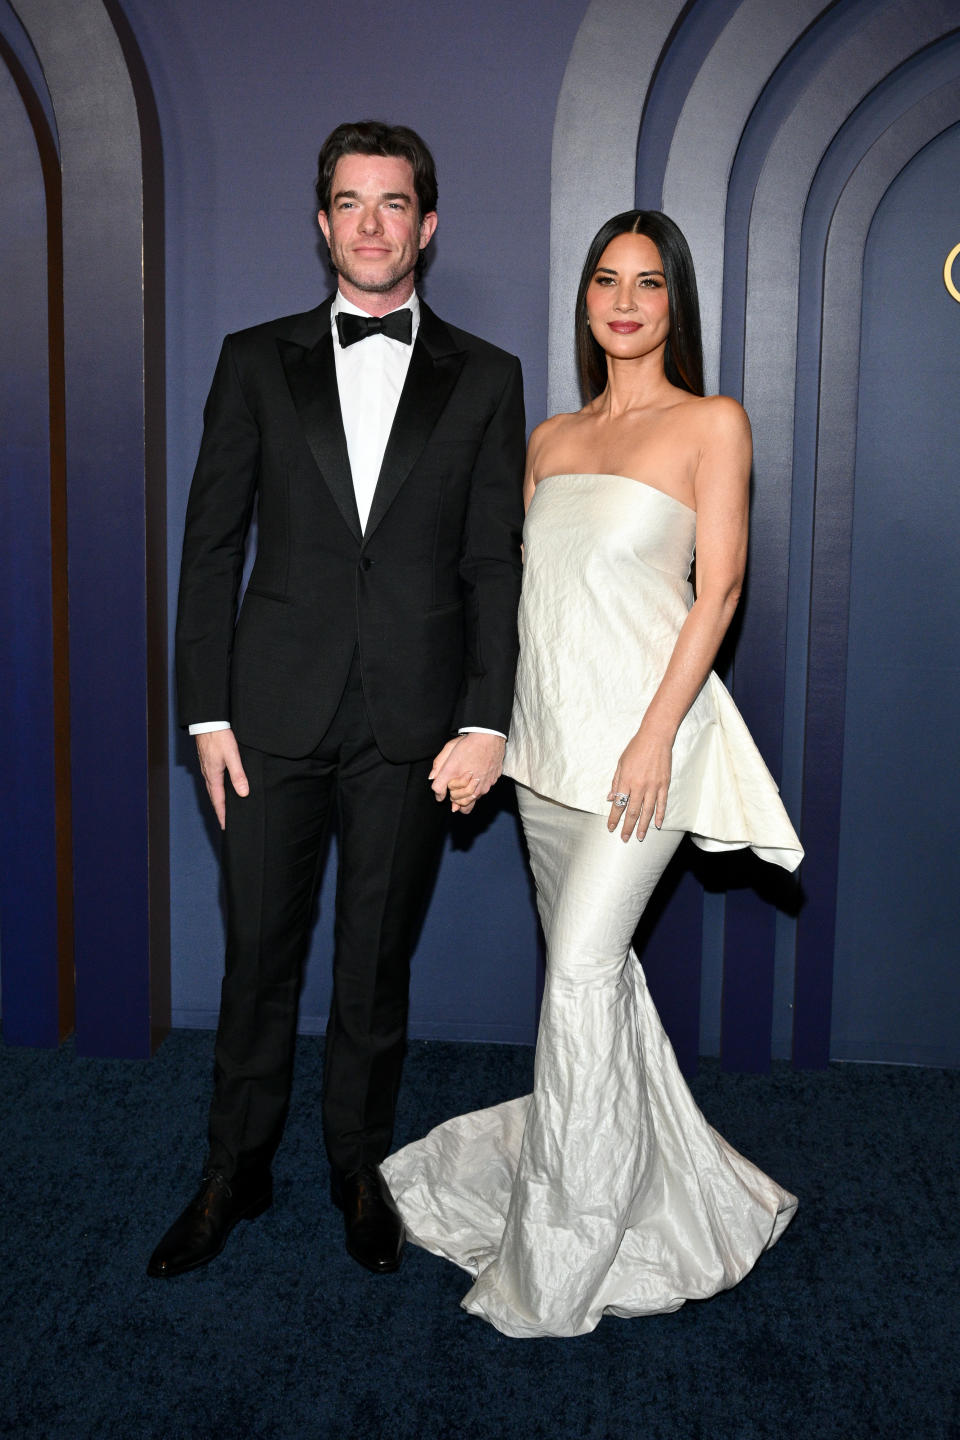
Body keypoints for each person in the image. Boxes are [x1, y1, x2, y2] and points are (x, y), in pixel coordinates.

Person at [382, 210, 803, 1338]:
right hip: (549, 750)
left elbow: (714, 593)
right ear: (586, 300)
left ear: (676, 305)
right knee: (597, 989)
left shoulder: (712, 423)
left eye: (650, 283)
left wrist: (659, 732)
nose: (625, 301)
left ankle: (563, 1243)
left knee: (576, 974)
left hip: (641, 757)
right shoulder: (553, 440)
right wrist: (495, 735)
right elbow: (532, 607)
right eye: (607, 281)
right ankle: (668, 1183)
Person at [147, 121, 525, 1280]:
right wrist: (204, 712)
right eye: (351, 204)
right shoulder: (253, 360)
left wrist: (486, 713)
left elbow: (492, 566)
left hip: (415, 727)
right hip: (268, 720)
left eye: (394, 203)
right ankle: (234, 1167)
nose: (372, 224)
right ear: (322, 225)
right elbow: (210, 547)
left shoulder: (488, 377)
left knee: (374, 962)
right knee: (257, 950)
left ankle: (359, 1168)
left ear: (429, 223)